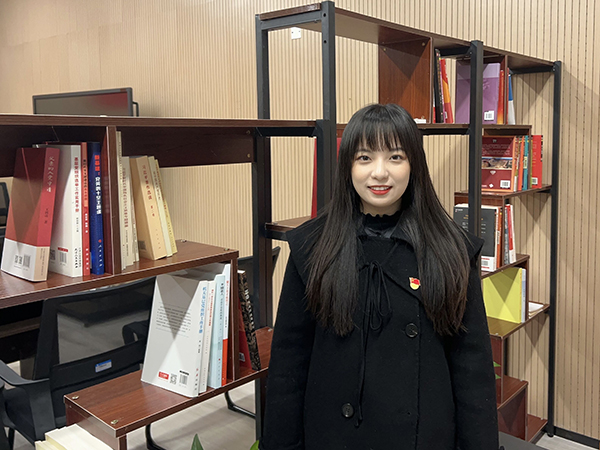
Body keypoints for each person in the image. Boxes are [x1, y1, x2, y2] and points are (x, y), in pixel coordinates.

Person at [259, 103, 499, 450]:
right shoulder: (312, 247)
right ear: (348, 166)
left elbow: (472, 372)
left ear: (414, 164)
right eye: (365, 158)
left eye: (396, 157)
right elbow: (288, 367)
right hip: (332, 436)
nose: (380, 173)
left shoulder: (452, 250)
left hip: (424, 437)